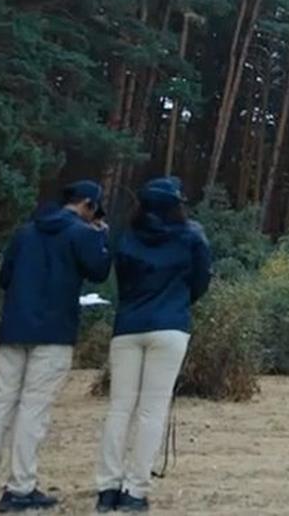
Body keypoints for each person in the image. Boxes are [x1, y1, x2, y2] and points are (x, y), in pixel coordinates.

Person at [0, 181, 111, 512]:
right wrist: (101, 236)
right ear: (88, 204)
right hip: (54, 332)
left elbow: (4, 278)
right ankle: (20, 488)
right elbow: (99, 271)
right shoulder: (83, 234)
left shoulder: (26, 232)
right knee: (33, 409)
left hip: (14, 327)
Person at [95, 177, 211, 513]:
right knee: (152, 411)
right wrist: (178, 302)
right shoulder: (192, 236)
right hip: (171, 326)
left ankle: (107, 488)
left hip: (128, 325)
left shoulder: (126, 237)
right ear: (176, 205)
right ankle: (135, 491)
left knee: (119, 409)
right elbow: (201, 280)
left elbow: (120, 278)